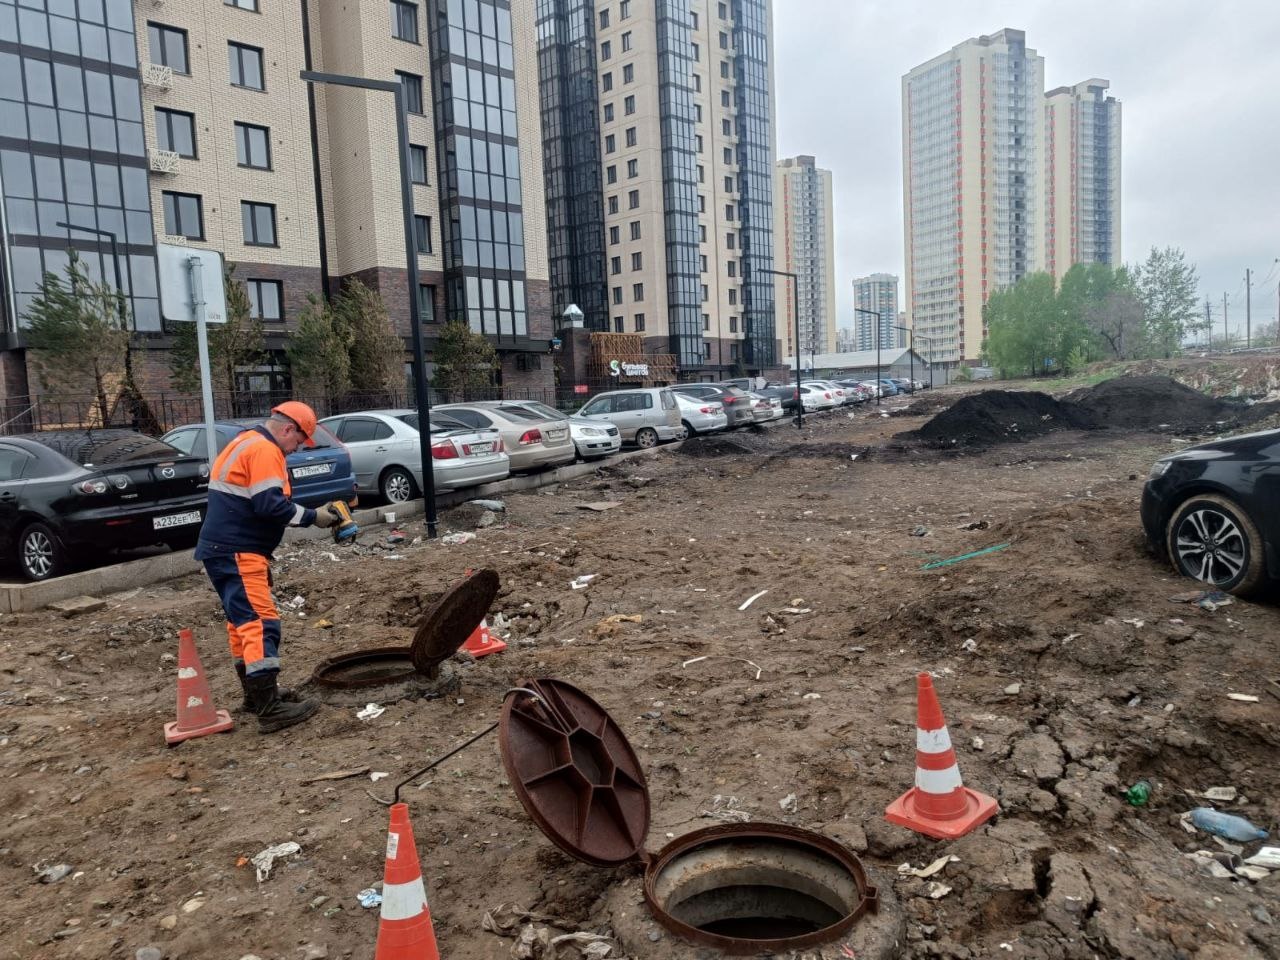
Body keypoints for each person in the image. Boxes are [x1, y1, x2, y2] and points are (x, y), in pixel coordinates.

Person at [195, 401, 342, 733]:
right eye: (299, 441)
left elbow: (256, 502)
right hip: (238, 550)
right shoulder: (265, 450)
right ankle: (269, 708)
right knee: (261, 624)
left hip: (223, 550)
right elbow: (270, 505)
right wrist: (314, 517)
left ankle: (256, 696)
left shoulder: (244, 441)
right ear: (288, 428)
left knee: (242, 624)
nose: (297, 448)